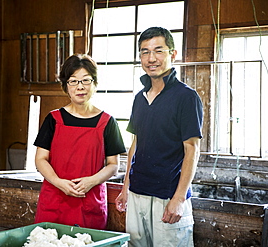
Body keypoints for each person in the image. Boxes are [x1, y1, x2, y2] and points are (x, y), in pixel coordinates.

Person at [115, 27, 203, 246]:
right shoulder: (139, 98)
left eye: (158, 51)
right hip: (137, 194)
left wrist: (179, 199)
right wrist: (126, 187)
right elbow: (136, 143)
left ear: (173, 54)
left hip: (167, 196)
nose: (151, 58)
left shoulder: (186, 97)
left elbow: (192, 149)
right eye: (145, 52)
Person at [34, 54, 126, 230]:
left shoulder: (107, 122)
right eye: (73, 81)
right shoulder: (53, 119)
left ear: (95, 84)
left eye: (86, 81)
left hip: (89, 201)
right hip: (55, 198)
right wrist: (59, 182)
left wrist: (91, 181)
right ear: (66, 86)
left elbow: (113, 164)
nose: (80, 87)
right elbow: (40, 159)